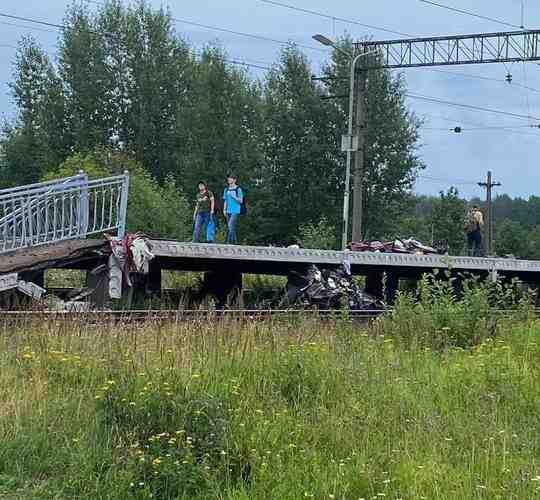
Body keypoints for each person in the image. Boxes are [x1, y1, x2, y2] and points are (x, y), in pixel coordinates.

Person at [223, 174, 243, 244]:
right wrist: (224, 210)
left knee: (230, 225)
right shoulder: (226, 189)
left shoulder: (238, 189)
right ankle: (235, 242)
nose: (229, 179)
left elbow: (241, 201)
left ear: (234, 180)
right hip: (228, 210)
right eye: (228, 178)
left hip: (235, 210)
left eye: (231, 178)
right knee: (232, 228)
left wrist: (234, 196)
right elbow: (225, 200)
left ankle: (228, 242)